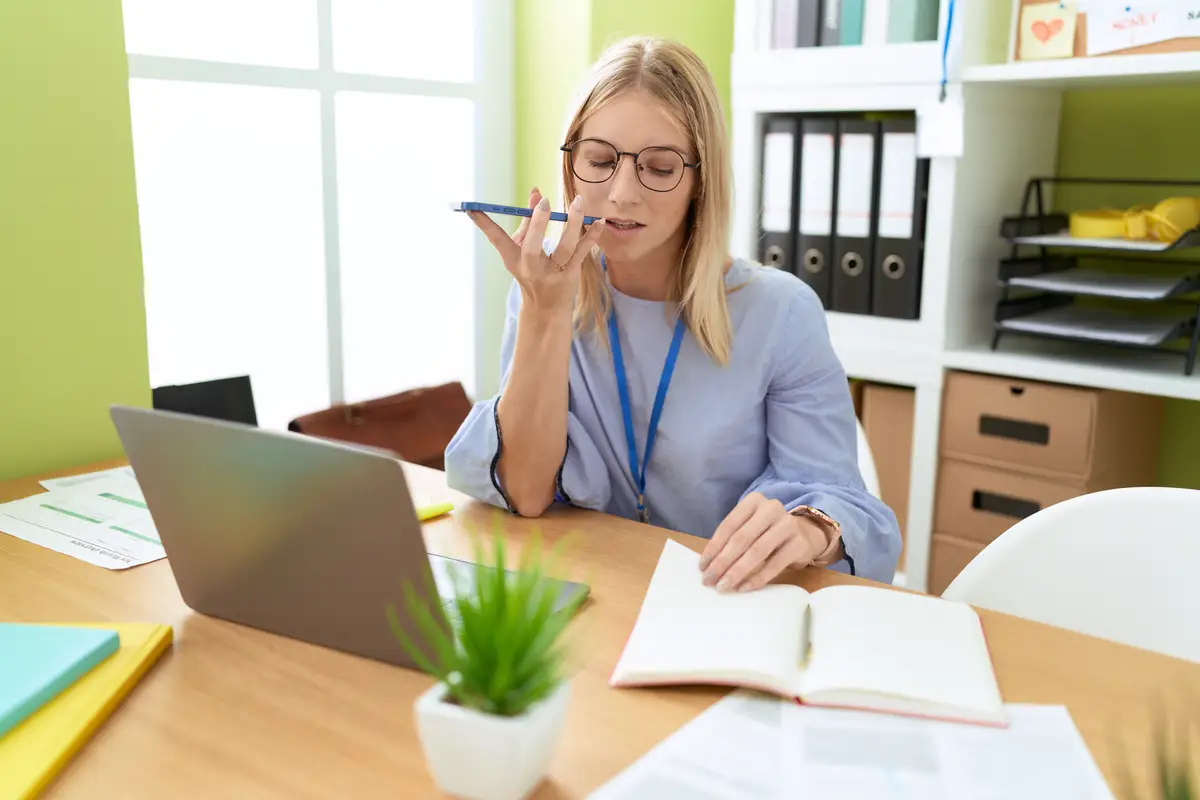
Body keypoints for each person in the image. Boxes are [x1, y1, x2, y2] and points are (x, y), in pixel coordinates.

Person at [444, 36, 901, 590]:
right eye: (599, 161)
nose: (621, 194)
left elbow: (840, 499)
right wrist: (545, 313)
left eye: (659, 168)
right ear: (570, 168)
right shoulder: (542, 290)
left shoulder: (781, 313)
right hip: (593, 589)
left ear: (700, 183)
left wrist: (809, 528)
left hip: (724, 601)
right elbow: (526, 491)